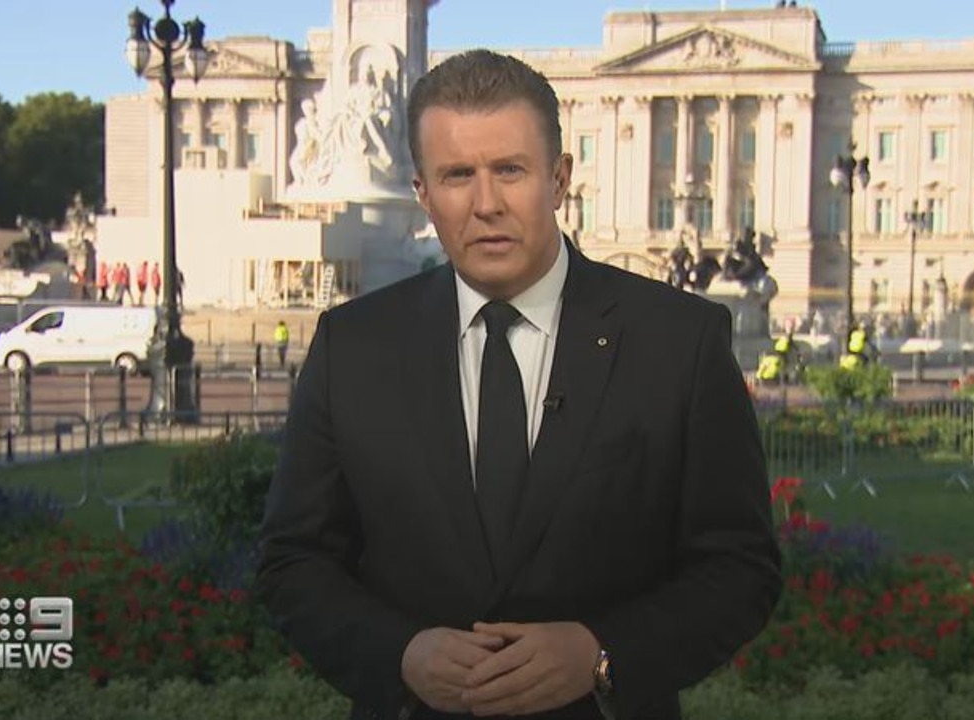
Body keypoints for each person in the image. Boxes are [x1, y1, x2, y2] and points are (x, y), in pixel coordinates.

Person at [256, 49, 780, 720]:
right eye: (456, 175)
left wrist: (601, 654)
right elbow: (293, 561)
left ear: (559, 179)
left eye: (510, 170)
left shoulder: (678, 341)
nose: (485, 204)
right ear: (421, 193)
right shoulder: (353, 346)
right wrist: (400, 655)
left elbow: (740, 567)